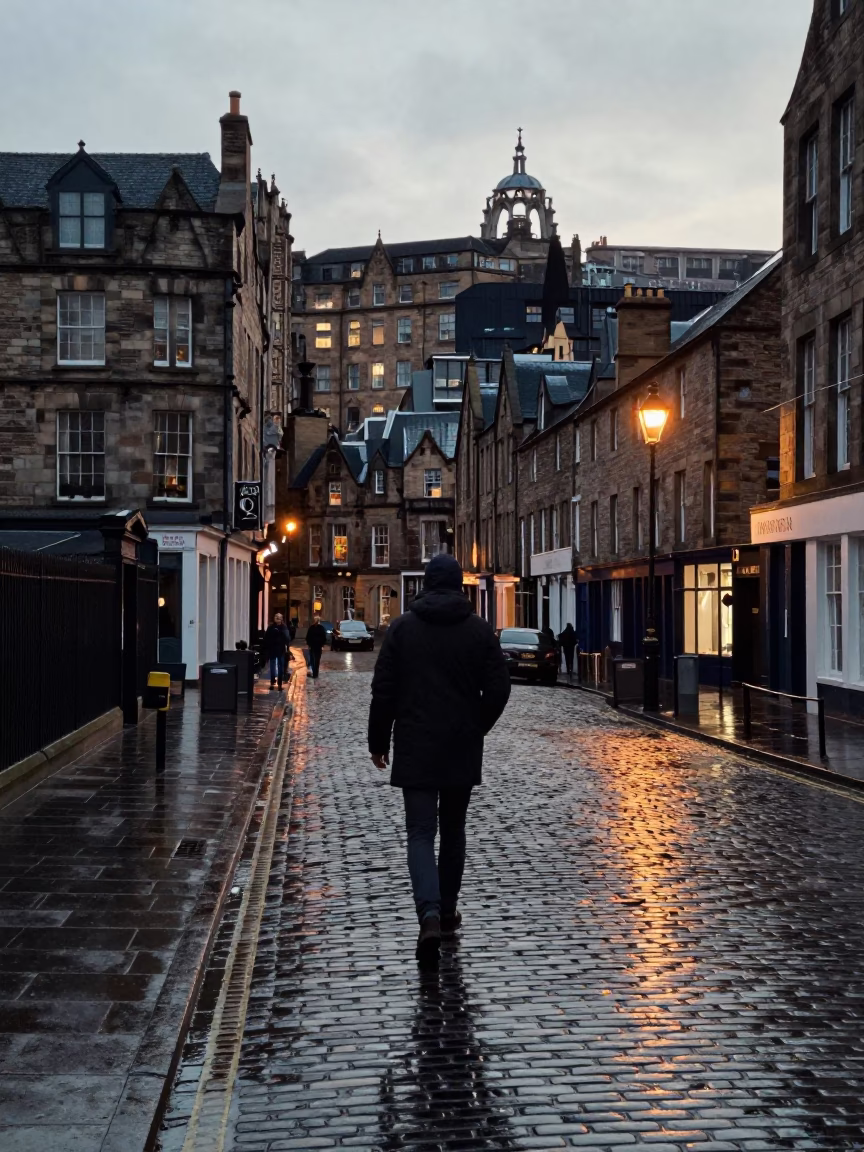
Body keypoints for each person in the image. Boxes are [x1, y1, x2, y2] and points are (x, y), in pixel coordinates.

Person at [368, 553, 511, 969]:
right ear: (458, 586)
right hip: (460, 745)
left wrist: (379, 741)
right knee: (453, 831)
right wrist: (477, 726)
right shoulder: (480, 631)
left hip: (415, 744)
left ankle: (428, 914)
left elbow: (384, 691)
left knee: (418, 833)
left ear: (426, 585)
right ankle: (447, 912)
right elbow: (500, 689)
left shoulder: (401, 630)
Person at [262, 613, 293, 689]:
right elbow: (266, 638)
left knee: (279, 666)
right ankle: (274, 682)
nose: (277, 618)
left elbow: (287, 638)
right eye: (276, 617)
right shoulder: (273, 627)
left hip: (279, 649)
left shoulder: (281, 627)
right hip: (274, 649)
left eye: (278, 617)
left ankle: (278, 683)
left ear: (281, 619)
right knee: (275, 665)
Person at [305, 615, 328, 679]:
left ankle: (315, 672)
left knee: (313, 659)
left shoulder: (312, 628)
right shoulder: (321, 628)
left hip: (313, 646)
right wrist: (322, 644)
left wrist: (309, 644)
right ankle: (315, 673)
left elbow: (308, 637)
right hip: (317, 646)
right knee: (316, 660)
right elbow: (324, 637)